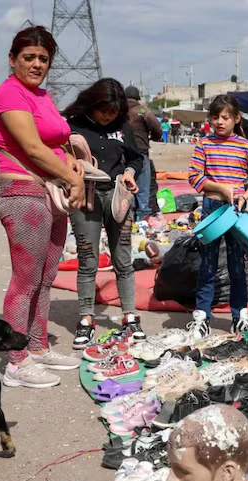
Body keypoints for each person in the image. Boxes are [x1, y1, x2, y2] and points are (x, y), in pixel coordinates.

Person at [0, 25, 86, 389]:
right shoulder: (9, 94)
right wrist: (74, 179)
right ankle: (16, 362)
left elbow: (53, 142)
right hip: (22, 193)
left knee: (46, 278)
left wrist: (70, 162)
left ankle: (38, 345)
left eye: (43, 59)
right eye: (28, 57)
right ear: (12, 59)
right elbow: (31, 148)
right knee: (25, 281)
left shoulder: (41, 95)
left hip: (49, 191)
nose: (36, 64)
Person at [64, 78, 145, 349]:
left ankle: (130, 316)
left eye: (113, 111)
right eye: (104, 111)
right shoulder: (73, 124)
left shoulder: (122, 126)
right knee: (87, 259)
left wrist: (130, 173)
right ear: (92, 103)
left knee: (123, 259)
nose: (108, 116)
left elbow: (136, 157)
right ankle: (86, 318)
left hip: (117, 195)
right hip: (84, 197)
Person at [187, 94, 248, 338]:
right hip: (212, 208)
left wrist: (246, 195)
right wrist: (221, 188)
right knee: (208, 264)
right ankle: (201, 317)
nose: (220, 122)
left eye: (225, 117)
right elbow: (194, 177)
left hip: (237, 210)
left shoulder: (246, 146)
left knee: (237, 264)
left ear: (236, 119)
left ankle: (240, 316)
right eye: (215, 117)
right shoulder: (204, 145)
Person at [124, 85, 162, 220]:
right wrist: (155, 137)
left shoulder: (118, 110)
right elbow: (157, 128)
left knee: (125, 184)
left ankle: (128, 215)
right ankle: (143, 215)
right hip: (140, 151)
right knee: (143, 185)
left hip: (122, 152)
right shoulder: (142, 110)